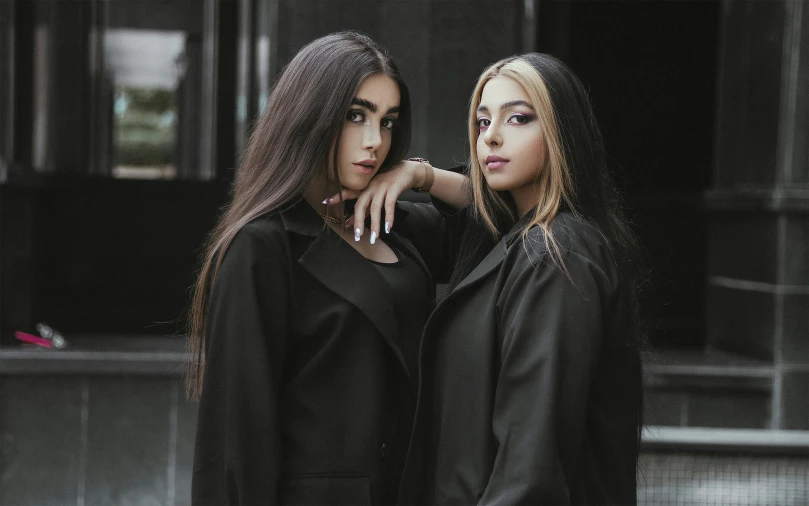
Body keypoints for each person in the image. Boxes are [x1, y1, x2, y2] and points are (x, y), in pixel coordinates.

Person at [343, 53, 645, 505]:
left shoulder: (557, 254)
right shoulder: (515, 240)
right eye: (483, 123)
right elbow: (475, 207)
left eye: (519, 118)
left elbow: (531, 464)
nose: (492, 138)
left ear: (564, 133)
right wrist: (419, 174)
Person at [186, 31, 461, 505]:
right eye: (355, 116)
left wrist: (420, 174)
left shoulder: (389, 221)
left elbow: (507, 222)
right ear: (309, 115)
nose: (375, 141)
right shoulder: (263, 246)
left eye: (388, 121)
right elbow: (236, 441)